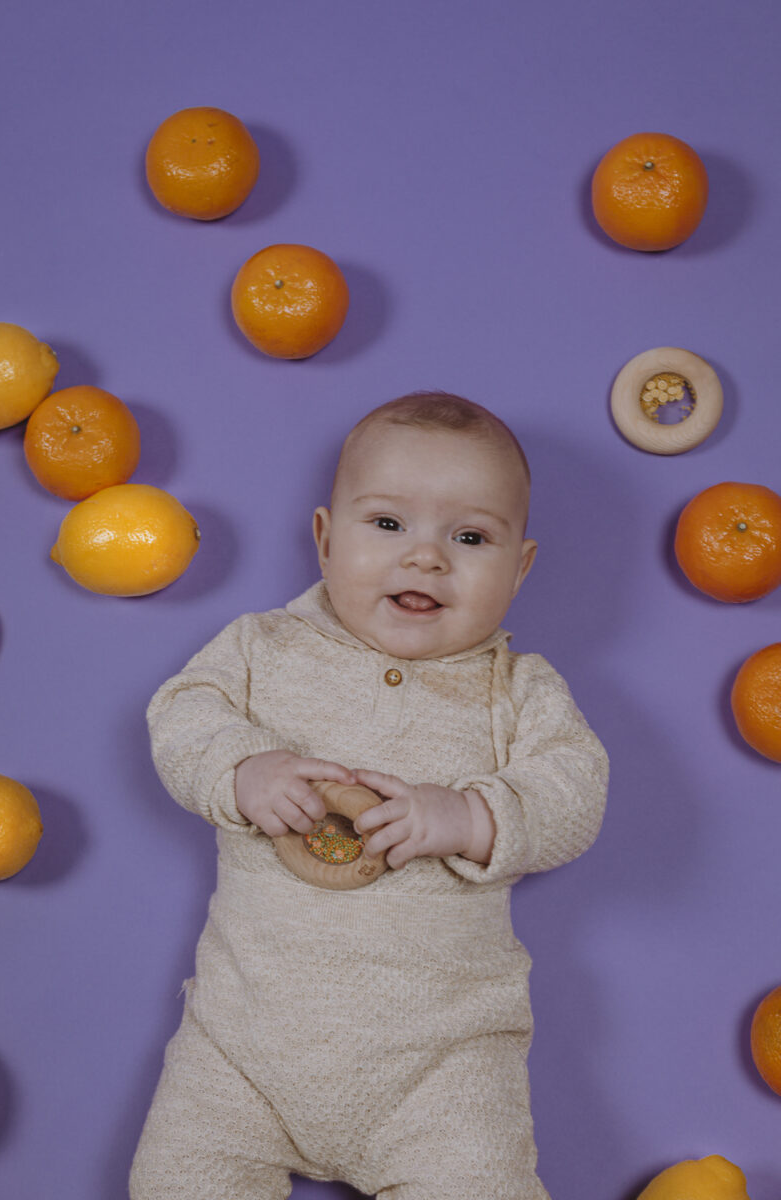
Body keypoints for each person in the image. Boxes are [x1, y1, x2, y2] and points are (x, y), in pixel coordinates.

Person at [129, 391, 608, 1200]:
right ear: (324, 538)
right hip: (242, 1049)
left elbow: (575, 788)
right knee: (178, 1178)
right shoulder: (263, 647)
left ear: (520, 566)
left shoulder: (516, 690)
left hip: (440, 1066)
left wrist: (468, 815)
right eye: (387, 525)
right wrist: (242, 770)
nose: (425, 558)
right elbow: (180, 714)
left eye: (470, 537)